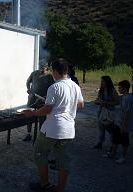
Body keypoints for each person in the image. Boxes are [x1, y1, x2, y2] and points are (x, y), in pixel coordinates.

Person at [23, 58, 84, 192]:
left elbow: (47, 109)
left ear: (55, 71)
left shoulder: (54, 87)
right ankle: (59, 189)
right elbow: (80, 104)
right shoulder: (75, 86)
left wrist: (32, 113)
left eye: (51, 70)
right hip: (68, 130)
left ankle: (44, 184)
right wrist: (65, 104)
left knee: (39, 154)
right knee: (63, 161)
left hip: (52, 128)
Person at [23, 60, 54, 141]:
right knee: (29, 115)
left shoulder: (49, 76)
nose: (41, 69)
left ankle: (40, 136)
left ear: (46, 67)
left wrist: (47, 96)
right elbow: (27, 81)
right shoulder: (34, 73)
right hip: (32, 98)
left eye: (43, 67)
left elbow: (52, 88)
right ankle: (29, 134)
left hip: (43, 100)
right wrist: (28, 89)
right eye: (40, 66)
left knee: (42, 117)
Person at [108, 80, 133, 164]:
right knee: (115, 137)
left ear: (125, 89)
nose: (118, 89)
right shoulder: (123, 97)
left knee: (124, 140)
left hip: (124, 124)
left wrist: (124, 125)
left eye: (120, 88)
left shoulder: (128, 99)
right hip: (119, 122)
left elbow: (127, 113)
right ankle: (112, 153)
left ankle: (123, 157)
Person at [93, 75, 119, 149]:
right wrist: (97, 102)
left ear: (107, 82)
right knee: (101, 128)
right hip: (101, 112)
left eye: (103, 81)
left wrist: (106, 103)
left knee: (110, 129)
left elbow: (117, 102)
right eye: (101, 81)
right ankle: (100, 143)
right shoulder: (101, 90)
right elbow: (98, 99)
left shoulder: (112, 91)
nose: (101, 83)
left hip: (109, 113)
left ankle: (112, 145)